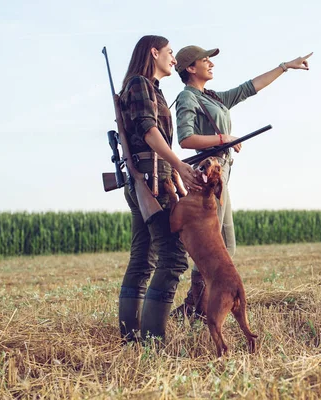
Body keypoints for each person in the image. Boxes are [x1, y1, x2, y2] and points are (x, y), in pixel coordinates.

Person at [172, 44, 312, 320]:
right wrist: (224, 139)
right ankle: (195, 305)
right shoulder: (188, 98)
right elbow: (185, 139)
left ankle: (201, 303)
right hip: (209, 173)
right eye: (205, 61)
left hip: (223, 171)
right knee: (214, 244)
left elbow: (250, 87)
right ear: (191, 68)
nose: (211, 64)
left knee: (227, 245)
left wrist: (285, 66)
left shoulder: (211, 97)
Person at [117, 35, 202, 344]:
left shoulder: (151, 89)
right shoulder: (139, 84)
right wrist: (178, 165)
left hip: (151, 178)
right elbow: (150, 132)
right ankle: (152, 340)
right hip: (151, 182)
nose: (174, 59)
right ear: (153, 52)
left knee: (142, 259)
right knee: (173, 258)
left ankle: (131, 339)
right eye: (169, 52)